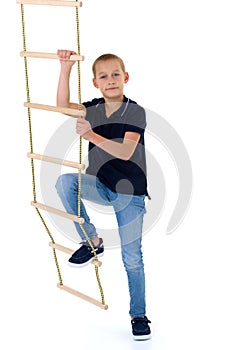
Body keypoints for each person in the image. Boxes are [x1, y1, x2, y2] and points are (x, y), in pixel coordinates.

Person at [55, 49, 151, 340]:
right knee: (65, 183)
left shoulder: (134, 111)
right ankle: (92, 240)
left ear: (126, 78)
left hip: (130, 193)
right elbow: (62, 106)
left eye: (115, 75)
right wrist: (66, 68)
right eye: (104, 76)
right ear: (96, 82)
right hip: (101, 185)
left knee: (131, 257)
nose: (111, 80)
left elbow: (125, 151)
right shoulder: (93, 108)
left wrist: (91, 136)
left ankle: (139, 315)